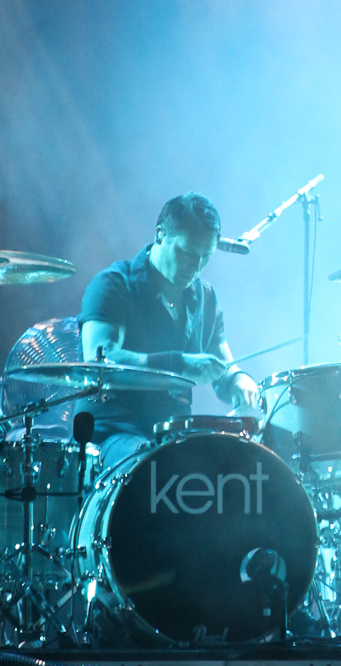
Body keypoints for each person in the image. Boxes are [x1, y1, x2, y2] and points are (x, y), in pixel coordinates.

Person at [78, 193, 259, 468]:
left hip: (175, 434)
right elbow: (99, 362)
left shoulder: (206, 298)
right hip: (115, 433)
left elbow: (223, 368)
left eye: (206, 256)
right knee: (155, 467)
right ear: (160, 235)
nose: (196, 267)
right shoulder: (113, 285)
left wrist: (237, 379)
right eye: (187, 253)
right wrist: (179, 364)